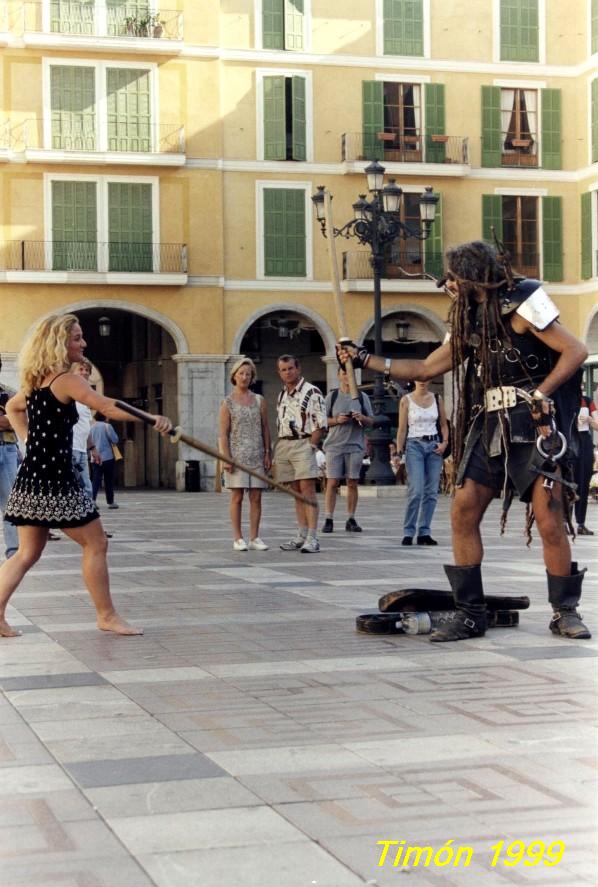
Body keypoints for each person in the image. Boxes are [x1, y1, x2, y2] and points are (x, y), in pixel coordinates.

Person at [338, 240, 590, 642]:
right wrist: (365, 358)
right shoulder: (469, 321)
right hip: (489, 426)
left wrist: (541, 394)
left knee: (550, 521)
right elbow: (424, 367)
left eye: (454, 276)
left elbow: (575, 350)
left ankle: (565, 612)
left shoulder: (524, 302)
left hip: (534, 427)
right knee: (463, 510)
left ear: (474, 274)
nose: (448, 284)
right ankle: (471, 614)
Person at [0, 313, 171, 638]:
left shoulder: (37, 381)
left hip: (32, 477)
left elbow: (12, 407)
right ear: (59, 343)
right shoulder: (66, 380)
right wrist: (151, 419)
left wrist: (28, 441)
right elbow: (106, 406)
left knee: (26, 553)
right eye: (77, 338)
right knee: (96, 543)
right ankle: (107, 616)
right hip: (55, 479)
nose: (84, 343)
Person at [274, 354, 326, 553]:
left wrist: (312, 445)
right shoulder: (282, 394)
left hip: (304, 442)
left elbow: (320, 423)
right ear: (279, 373)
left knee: (307, 490)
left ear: (298, 369)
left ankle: (312, 537)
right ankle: (301, 534)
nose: (287, 372)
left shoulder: (312, 392)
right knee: (295, 492)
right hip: (285, 443)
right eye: (283, 370)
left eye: (290, 368)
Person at [218, 357, 272, 551]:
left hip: (257, 454)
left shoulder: (259, 400)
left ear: (252, 377)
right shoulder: (227, 402)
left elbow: (265, 428)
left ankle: (255, 537)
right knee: (237, 496)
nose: (244, 377)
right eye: (241, 373)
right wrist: (226, 457)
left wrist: (268, 452)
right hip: (236, 456)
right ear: (234, 376)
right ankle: (238, 538)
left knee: (256, 497)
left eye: (248, 374)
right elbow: (223, 434)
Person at [396, 380, 449, 546]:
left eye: (425, 378)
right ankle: (408, 531)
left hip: (434, 446)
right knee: (416, 490)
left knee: (431, 492)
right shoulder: (406, 400)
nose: (422, 382)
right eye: (419, 378)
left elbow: (443, 424)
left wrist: (444, 443)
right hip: (414, 445)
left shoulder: (437, 398)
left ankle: (424, 532)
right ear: (414, 380)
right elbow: (402, 428)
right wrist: (398, 451)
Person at [322, 367, 374, 533]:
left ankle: (351, 518)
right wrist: (337, 420)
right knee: (332, 482)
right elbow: (321, 420)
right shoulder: (332, 396)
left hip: (355, 445)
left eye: (349, 373)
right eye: (344, 373)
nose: (347, 376)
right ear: (338, 375)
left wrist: (361, 417)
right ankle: (328, 518)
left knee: (352, 482)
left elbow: (371, 421)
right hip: (334, 445)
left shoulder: (362, 397)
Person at [0, 355, 19, 561]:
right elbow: (8, 420)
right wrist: (6, 419)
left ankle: (14, 552)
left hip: (7, 449)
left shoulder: (9, 392)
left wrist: (10, 419)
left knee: (10, 504)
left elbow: (19, 419)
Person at [573, 382, 598, 535]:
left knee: (583, 483)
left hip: (584, 441)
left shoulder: (588, 401)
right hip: (569, 440)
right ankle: (565, 522)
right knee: (568, 482)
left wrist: (589, 419)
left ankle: (580, 523)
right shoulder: (564, 401)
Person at [90, 413, 120, 509]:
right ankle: (110, 502)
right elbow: (115, 440)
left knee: (95, 480)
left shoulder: (91, 427)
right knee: (108, 480)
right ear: (104, 417)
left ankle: (92, 501)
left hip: (95, 458)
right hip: (107, 457)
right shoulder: (107, 426)